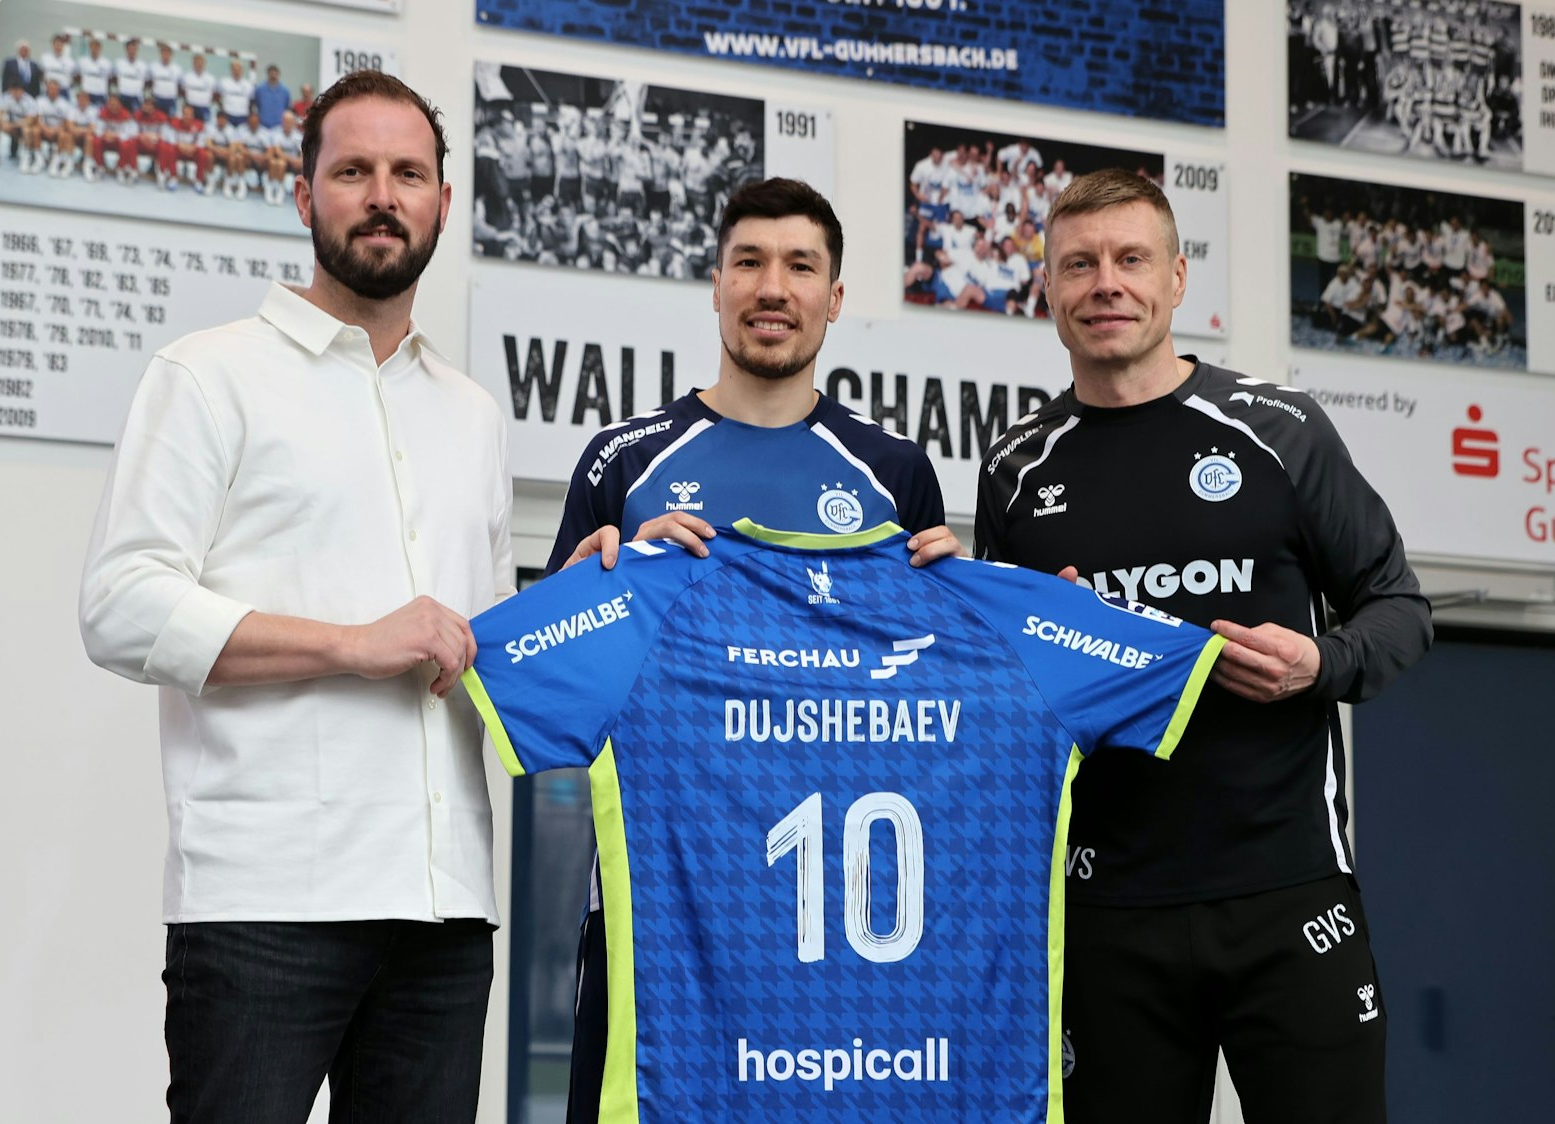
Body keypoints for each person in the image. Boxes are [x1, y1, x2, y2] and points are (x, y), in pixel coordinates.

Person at [78, 70, 506, 1124]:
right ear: (302, 193)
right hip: (267, 905)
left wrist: (588, 591)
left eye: (409, 173)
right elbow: (121, 605)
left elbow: (482, 646)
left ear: (444, 202)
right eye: (352, 170)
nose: (382, 195)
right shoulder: (210, 375)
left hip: (447, 909)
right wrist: (353, 643)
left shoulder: (472, 413)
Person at [975, 168, 1431, 1124]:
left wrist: (1322, 665)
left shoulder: (1281, 431)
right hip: (1105, 908)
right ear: (1048, 291)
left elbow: (1397, 607)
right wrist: (1038, 656)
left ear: (1178, 278)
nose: (1107, 283)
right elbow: (1000, 700)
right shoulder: (1016, 469)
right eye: (1079, 265)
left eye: (1131, 259)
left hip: (1288, 888)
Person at [545, 175, 963, 1124]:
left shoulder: (896, 473)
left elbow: (935, 715)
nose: (773, 286)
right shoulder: (623, 461)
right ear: (717, 283)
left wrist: (968, 603)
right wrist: (585, 585)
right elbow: (561, 695)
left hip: (841, 932)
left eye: (800, 266)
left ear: (837, 296)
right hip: (660, 919)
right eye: (750, 262)